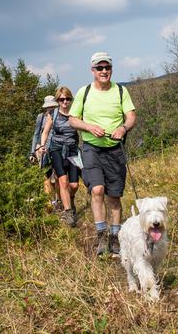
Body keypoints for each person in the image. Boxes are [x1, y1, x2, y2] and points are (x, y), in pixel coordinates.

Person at [69, 52, 136, 256]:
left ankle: (115, 239)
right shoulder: (84, 92)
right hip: (91, 148)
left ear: (111, 69)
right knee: (97, 190)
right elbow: (73, 119)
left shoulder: (120, 91)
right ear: (93, 70)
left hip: (115, 149)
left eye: (107, 67)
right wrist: (89, 127)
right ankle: (101, 237)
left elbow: (131, 116)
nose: (104, 71)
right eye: (99, 68)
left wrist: (123, 129)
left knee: (114, 196)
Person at [40, 87, 81, 227]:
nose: (65, 102)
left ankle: (70, 198)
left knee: (74, 185)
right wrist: (41, 146)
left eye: (67, 99)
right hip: (56, 149)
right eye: (61, 99)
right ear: (57, 100)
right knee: (63, 181)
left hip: (73, 149)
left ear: (71, 99)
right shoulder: (53, 114)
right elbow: (45, 132)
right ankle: (68, 211)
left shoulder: (76, 112)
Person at [31, 95, 60, 210]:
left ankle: (58, 200)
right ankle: (49, 203)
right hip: (43, 149)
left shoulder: (59, 115)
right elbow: (36, 134)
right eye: (49, 107)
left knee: (58, 176)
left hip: (57, 147)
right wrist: (32, 152)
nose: (50, 109)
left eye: (52, 106)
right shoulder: (41, 117)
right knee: (46, 176)